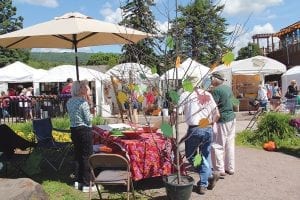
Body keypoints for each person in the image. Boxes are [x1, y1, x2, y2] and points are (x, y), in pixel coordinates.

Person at [178, 75, 220, 195]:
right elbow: (217, 114)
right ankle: (205, 181)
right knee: (205, 156)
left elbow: (176, 112)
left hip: (195, 129)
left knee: (191, 156)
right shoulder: (207, 94)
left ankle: (207, 177)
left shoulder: (185, 94)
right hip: (207, 128)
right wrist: (210, 124)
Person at [66, 80, 95, 192]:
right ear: (79, 89)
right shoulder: (83, 103)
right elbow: (88, 120)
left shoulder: (69, 102)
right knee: (87, 156)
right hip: (84, 130)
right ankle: (88, 183)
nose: (86, 89)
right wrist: (91, 110)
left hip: (74, 129)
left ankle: (78, 181)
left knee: (78, 155)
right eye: (84, 87)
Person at [210, 71, 236, 177]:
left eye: (211, 79)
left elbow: (212, 106)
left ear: (215, 79)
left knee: (217, 145)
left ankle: (219, 169)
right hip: (231, 117)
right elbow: (233, 102)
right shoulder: (227, 88)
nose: (210, 81)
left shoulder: (216, 90)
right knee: (230, 144)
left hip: (223, 119)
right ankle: (230, 168)